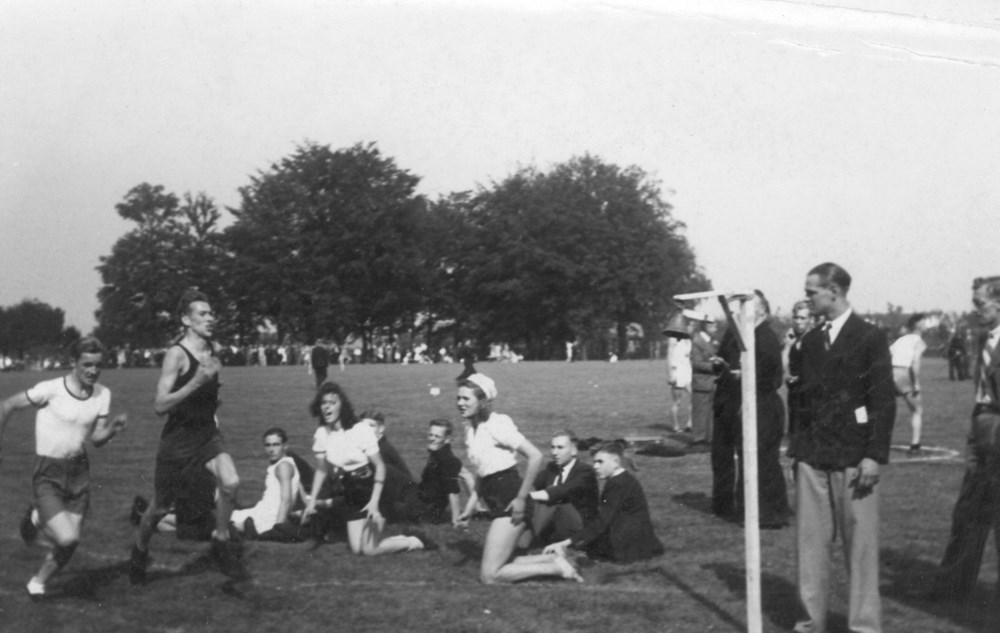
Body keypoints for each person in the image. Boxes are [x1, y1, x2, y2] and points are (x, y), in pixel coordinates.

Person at [789, 262, 896, 633]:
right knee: (810, 552)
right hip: (813, 461)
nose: (806, 299)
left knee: (861, 554)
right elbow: (801, 402)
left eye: (811, 292)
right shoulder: (809, 341)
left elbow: (883, 399)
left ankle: (864, 627)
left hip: (855, 461)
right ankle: (808, 625)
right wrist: (798, 454)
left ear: (833, 290)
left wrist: (873, 454)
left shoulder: (869, 336)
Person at [130, 289, 248, 585]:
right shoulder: (176, 354)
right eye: (203, 314)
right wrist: (196, 382)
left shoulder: (213, 349)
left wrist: (213, 396)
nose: (211, 318)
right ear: (186, 319)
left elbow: (212, 392)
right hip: (178, 443)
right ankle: (139, 551)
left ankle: (220, 541)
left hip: (208, 434)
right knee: (158, 507)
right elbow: (159, 405)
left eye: (211, 313)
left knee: (231, 482)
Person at [0, 336, 127, 600]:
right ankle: (37, 517)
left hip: (79, 471)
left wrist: (113, 428)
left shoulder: (103, 394)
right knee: (67, 538)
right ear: (74, 363)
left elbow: (96, 439)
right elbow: (8, 405)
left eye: (98, 365)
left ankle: (37, 582)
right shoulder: (51, 389)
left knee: (72, 541)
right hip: (48, 471)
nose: (93, 371)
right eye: (87, 365)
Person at [455, 374, 582, 583]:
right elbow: (482, 471)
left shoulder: (497, 425)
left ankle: (558, 568)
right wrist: (470, 507)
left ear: (483, 401)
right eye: (458, 398)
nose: (460, 403)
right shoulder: (469, 428)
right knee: (501, 563)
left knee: (489, 576)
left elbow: (535, 456)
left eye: (466, 399)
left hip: (511, 501)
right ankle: (555, 560)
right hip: (497, 502)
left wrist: (521, 499)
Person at [931, 276, 1000, 603]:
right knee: (968, 512)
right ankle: (953, 586)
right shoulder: (985, 338)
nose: (975, 311)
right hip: (981, 432)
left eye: (980, 304)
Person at [301, 382, 430, 555]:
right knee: (356, 549)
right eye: (324, 403)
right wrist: (312, 501)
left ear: (342, 406)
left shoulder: (360, 430)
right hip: (351, 492)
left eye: (332, 402)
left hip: (376, 488)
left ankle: (414, 541)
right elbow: (321, 469)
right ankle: (394, 537)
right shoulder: (322, 434)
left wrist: (374, 503)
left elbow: (380, 466)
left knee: (369, 549)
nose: (327, 407)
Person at [710, 290, 790, 528]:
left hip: (760, 406)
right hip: (729, 403)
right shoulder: (736, 334)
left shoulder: (766, 338)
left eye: (748, 308)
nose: (741, 313)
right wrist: (720, 366)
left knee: (762, 461)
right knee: (722, 456)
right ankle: (727, 506)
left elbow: (772, 379)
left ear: (762, 311)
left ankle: (769, 514)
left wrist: (743, 375)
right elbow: (724, 359)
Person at [544, 441, 663, 564]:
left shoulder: (618, 484)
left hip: (626, 544)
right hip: (633, 536)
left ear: (616, 462)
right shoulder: (622, 479)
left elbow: (603, 521)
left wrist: (566, 542)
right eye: (594, 462)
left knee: (578, 549)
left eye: (600, 462)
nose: (595, 466)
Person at [524, 430, 599, 547]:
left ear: (573, 451)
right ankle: (514, 541)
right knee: (529, 503)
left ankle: (525, 544)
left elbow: (562, 491)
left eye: (560, 448)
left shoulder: (585, 471)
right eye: (552, 447)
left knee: (555, 501)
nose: (554, 452)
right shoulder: (551, 468)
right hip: (557, 525)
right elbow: (533, 485)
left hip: (581, 528)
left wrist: (527, 496)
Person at [230, 428, 302, 540]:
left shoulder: (283, 466)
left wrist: (278, 527)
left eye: (276, 445)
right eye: (268, 445)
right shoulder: (285, 463)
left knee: (225, 522)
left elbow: (286, 500)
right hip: (264, 510)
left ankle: (246, 530)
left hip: (270, 517)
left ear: (285, 446)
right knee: (229, 515)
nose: (271, 449)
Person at [416, 419, 475, 525]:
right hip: (422, 501)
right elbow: (466, 474)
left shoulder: (446, 459)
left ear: (447, 439)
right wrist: (478, 506)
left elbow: (453, 492)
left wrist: (456, 521)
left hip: (425, 510)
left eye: (437, 436)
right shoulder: (439, 452)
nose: (432, 439)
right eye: (431, 435)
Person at [890, 314, 927, 455]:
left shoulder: (900, 339)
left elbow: (887, 353)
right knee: (917, 410)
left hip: (889, 372)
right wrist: (916, 382)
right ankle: (915, 446)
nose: (926, 324)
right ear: (918, 325)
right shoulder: (919, 341)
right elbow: (915, 361)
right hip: (904, 373)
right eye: (924, 321)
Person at [784, 300, 814, 444]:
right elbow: (783, 366)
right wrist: (788, 346)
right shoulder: (794, 340)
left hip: (809, 397)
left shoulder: (814, 340)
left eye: (802, 318)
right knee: (795, 438)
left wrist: (799, 378)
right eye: (796, 317)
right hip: (795, 394)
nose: (798, 322)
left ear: (810, 320)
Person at [688, 311, 718, 447]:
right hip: (701, 382)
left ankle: (709, 437)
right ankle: (698, 439)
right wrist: (715, 366)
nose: (715, 328)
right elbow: (696, 363)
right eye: (713, 325)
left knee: (710, 413)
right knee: (700, 412)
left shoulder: (711, 341)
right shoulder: (697, 341)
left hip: (712, 383)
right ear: (706, 326)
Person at [360, 410, 414, 481]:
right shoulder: (375, 446)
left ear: (381, 428)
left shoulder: (382, 450)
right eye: (363, 426)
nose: (366, 429)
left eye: (371, 426)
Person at [664, 322, 693, 433]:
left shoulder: (689, 340)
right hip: (677, 370)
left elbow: (689, 356)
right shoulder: (673, 339)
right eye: (690, 325)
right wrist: (671, 374)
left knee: (693, 396)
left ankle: (690, 423)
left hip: (687, 370)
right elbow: (669, 356)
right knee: (677, 401)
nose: (691, 328)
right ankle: (675, 426)